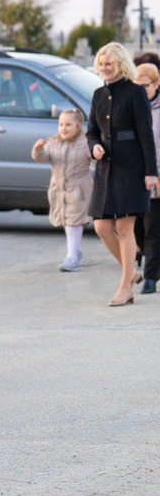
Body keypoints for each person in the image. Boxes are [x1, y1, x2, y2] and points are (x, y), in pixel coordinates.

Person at [86, 43, 158, 306]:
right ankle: (132, 273)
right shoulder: (97, 95)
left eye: (109, 63)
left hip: (132, 168)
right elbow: (91, 130)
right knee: (102, 227)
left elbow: (146, 136)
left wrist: (151, 172)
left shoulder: (136, 92)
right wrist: (93, 146)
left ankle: (125, 287)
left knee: (124, 227)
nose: (105, 68)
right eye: (102, 64)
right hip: (106, 169)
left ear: (120, 64)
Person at [31, 109, 93, 272]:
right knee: (66, 221)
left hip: (79, 189)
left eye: (68, 125)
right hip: (58, 189)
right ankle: (76, 251)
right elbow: (43, 158)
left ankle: (71, 257)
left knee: (74, 221)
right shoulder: (53, 143)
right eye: (60, 125)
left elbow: (94, 159)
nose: (63, 128)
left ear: (79, 126)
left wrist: (98, 152)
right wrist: (38, 150)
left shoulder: (85, 142)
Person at [134, 63, 160, 294]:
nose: (141, 91)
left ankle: (151, 276)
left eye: (145, 86)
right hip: (133, 177)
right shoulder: (132, 107)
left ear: (156, 84)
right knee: (136, 228)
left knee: (152, 227)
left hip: (156, 178)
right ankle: (151, 258)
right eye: (137, 86)